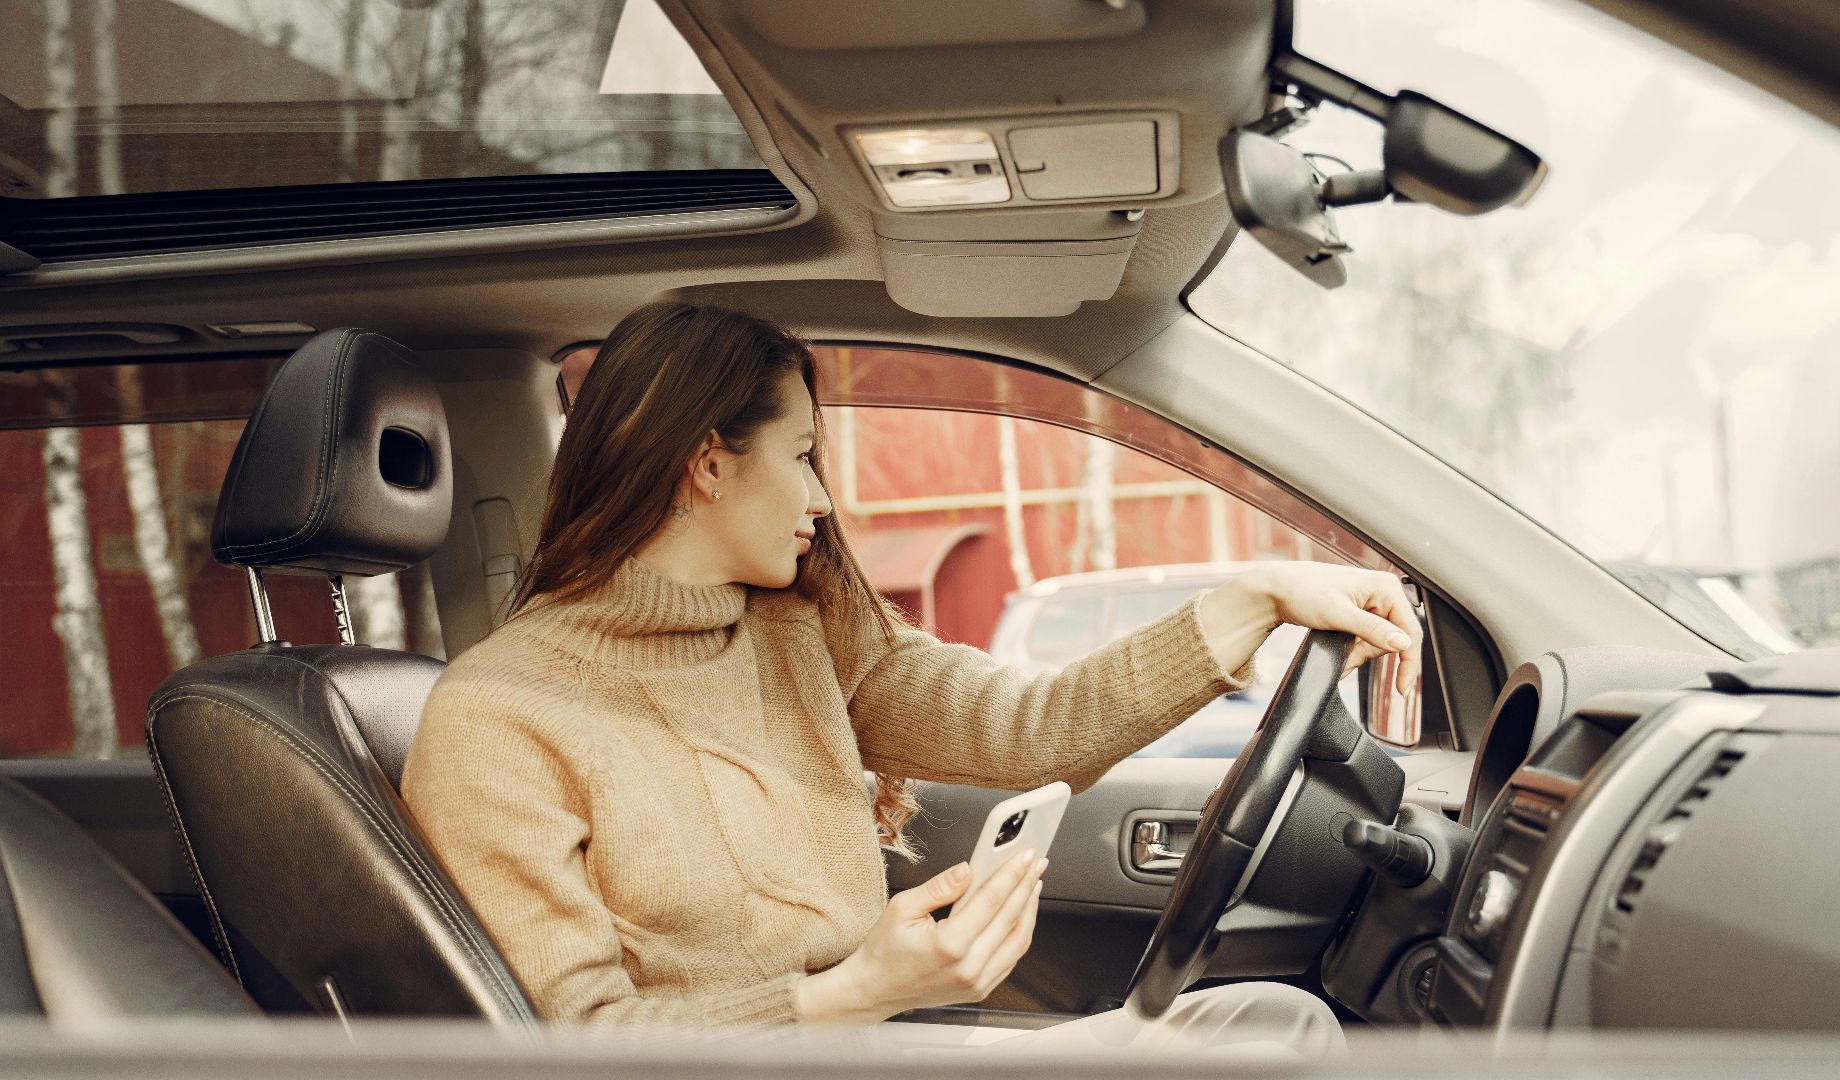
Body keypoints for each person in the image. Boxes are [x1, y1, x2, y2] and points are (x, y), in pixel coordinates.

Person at [399, 302, 1422, 1055]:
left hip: (873, 1043)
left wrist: (1259, 598)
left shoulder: (801, 630)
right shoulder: (499, 717)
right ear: (708, 465)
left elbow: (1030, 729)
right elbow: (576, 1045)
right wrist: (853, 992)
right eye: (801, 456)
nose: (819, 499)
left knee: (1268, 1022)